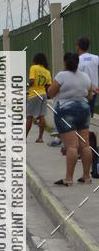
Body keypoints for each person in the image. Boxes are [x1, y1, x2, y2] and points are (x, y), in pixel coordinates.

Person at [46, 52, 93, 185]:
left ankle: (68, 179)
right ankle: (86, 176)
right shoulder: (85, 77)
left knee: (72, 146)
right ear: (78, 63)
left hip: (66, 110)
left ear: (65, 62)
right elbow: (89, 97)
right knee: (85, 145)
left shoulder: (61, 75)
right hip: (84, 110)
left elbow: (51, 93)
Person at [26, 53, 51, 143]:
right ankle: (40, 137)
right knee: (42, 116)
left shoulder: (34, 68)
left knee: (29, 116)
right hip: (43, 94)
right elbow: (48, 85)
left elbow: (32, 81)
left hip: (34, 94)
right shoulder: (47, 71)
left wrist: (27, 86)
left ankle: (23, 138)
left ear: (35, 60)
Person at [76, 36, 99, 116]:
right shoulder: (96, 58)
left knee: (81, 117)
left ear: (78, 46)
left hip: (82, 93)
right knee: (89, 115)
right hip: (94, 92)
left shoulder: (78, 60)